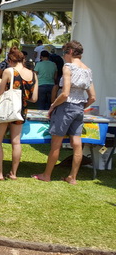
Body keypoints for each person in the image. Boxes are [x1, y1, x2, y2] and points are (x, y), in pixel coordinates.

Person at [33, 41, 95, 184]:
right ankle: (72, 177)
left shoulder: (68, 67)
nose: (64, 56)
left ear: (71, 52)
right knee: (77, 143)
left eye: (65, 52)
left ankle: (46, 175)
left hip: (65, 107)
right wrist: (82, 106)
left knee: (56, 144)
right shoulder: (88, 70)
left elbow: (65, 93)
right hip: (79, 108)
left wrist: (53, 106)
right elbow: (92, 97)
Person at [0, 47, 38, 181]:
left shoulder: (9, 71)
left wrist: (0, 83)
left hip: (7, 109)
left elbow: (0, 93)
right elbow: (34, 98)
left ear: (10, 60)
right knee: (16, 142)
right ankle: (13, 173)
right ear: (22, 59)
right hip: (22, 110)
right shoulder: (33, 74)